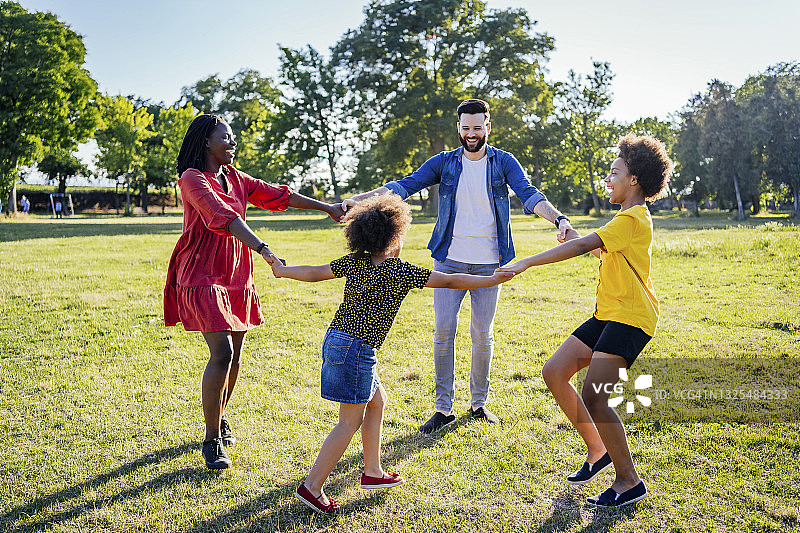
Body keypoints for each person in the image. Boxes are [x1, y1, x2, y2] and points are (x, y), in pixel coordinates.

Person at [267, 194, 514, 514]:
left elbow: (315, 272)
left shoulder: (355, 261)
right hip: (357, 350)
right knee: (348, 423)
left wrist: (283, 271)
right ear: (395, 238)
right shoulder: (401, 271)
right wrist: (489, 279)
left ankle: (373, 472)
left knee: (377, 400)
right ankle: (312, 486)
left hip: (337, 341)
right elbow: (450, 279)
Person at [343, 99, 578, 433]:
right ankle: (443, 409)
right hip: (449, 261)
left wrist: (559, 219)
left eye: (477, 128)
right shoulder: (444, 163)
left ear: (488, 127)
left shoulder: (504, 162)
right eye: (466, 128)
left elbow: (528, 193)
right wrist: (363, 198)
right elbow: (405, 186)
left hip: (489, 265)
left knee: (482, 334)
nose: (471, 134)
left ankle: (479, 404)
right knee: (443, 334)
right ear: (459, 128)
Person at [163, 113, 345, 470]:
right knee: (222, 353)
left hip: (236, 273)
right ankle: (212, 439)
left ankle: (221, 416)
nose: (233, 144)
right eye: (226, 138)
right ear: (206, 143)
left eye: (233, 138)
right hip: (203, 272)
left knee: (235, 355)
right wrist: (263, 248)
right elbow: (222, 217)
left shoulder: (234, 177)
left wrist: (328, 208)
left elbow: (278, 195)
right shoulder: (192, 179)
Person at [499, 133, 672, 508]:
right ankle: (598, 451)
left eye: (614, 173)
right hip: (609, 314)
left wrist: (527, 261)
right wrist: (583, 237)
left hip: (632, 319)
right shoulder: (624, 220)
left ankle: (629, 481)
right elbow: (599, 250)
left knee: (597, 396)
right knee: (555, 371)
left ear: (635, 180)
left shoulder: (633, 218)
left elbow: (581, 247)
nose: (608, 179)